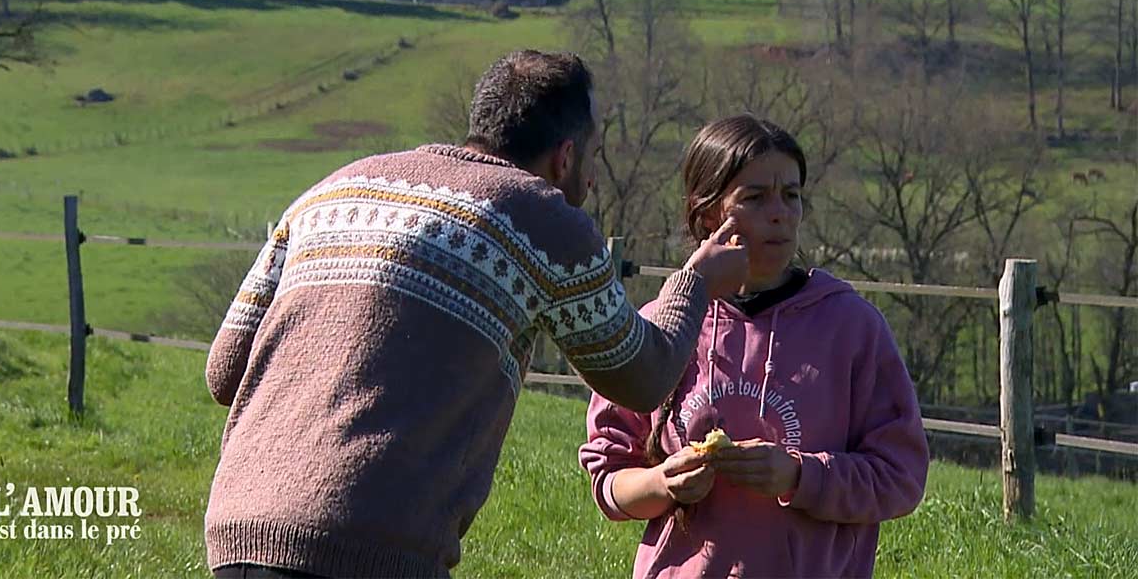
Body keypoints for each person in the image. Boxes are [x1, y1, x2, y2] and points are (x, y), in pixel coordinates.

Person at [204, 50, 751, 578]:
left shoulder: (333, 189)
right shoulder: (543, 219)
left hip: (237, 525)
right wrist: (697, 282)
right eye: (592, 155)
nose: (591, 178)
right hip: (372, 542)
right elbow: (644, 378)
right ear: (565, 156)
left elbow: (225, 372)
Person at [579, 115, 929, 579]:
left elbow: (900, 477)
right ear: (708, 214)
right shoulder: (661, 325)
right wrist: (662, 482)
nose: (780, 212)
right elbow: (609, 479)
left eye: (791, 195)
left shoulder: (852, 328)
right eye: (755, 197)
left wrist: (799, 476)